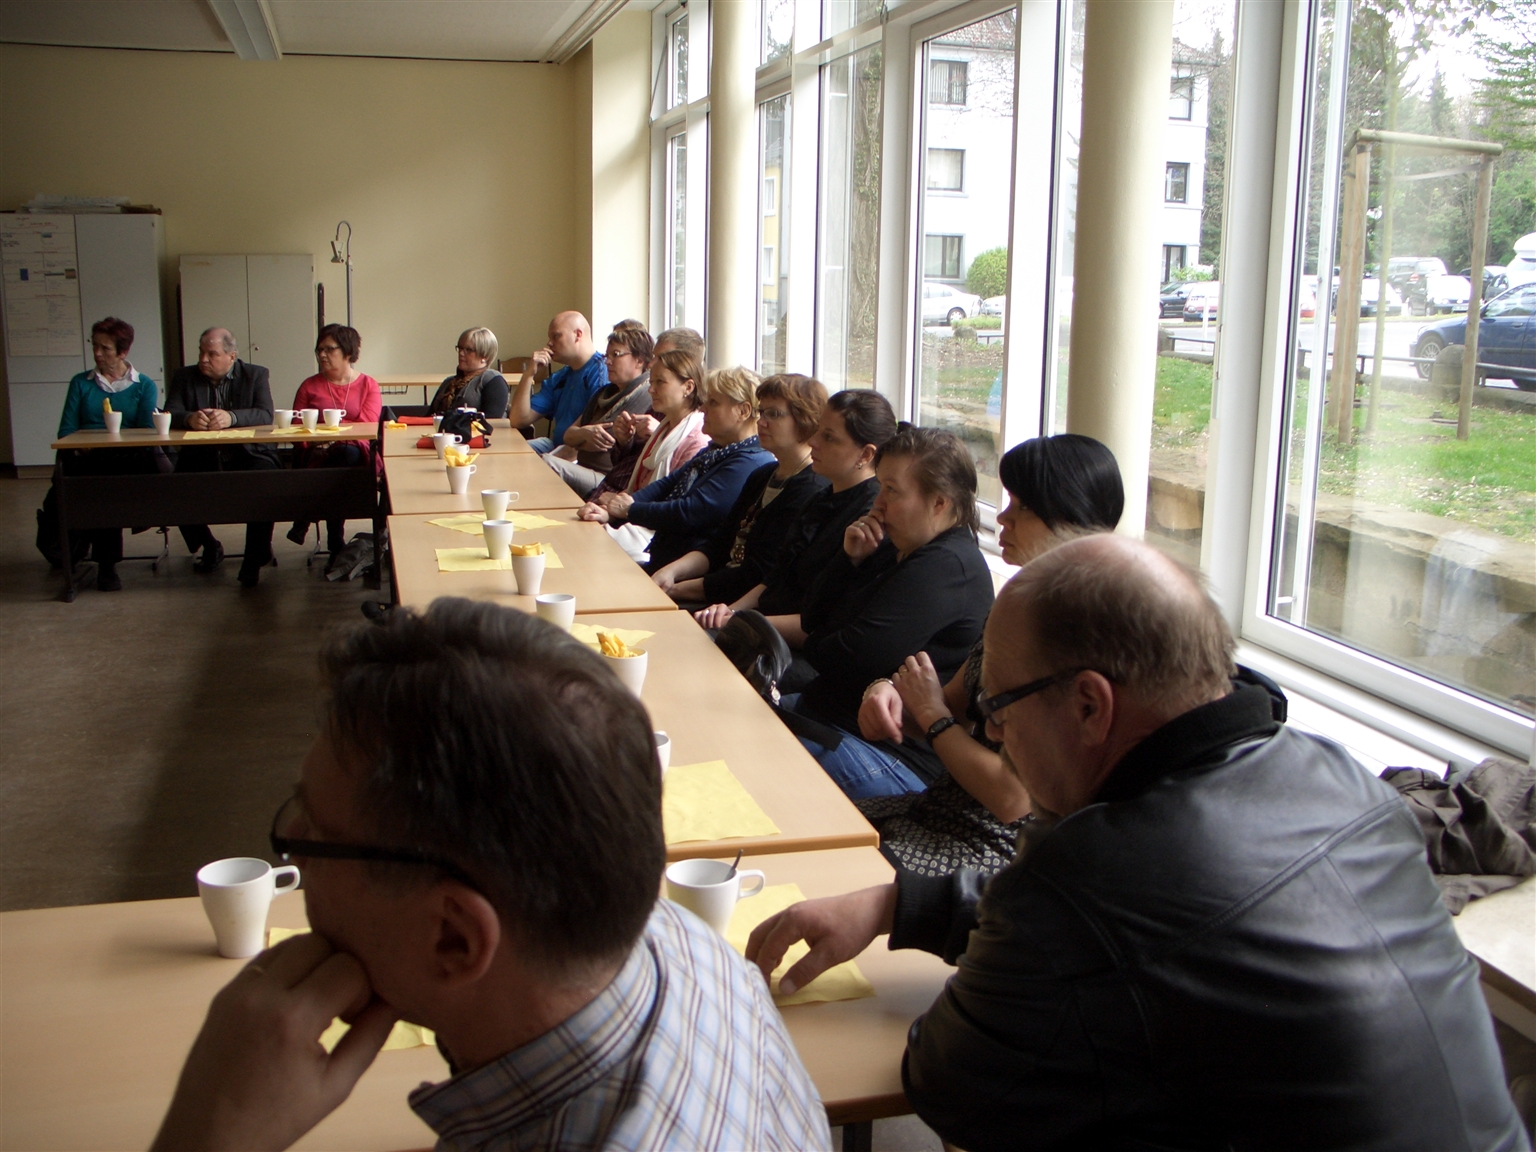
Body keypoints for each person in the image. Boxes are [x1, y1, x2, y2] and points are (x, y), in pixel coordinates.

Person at [747, 536, 1528, 1151]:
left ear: (1090, 706)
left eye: (999, 704)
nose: (995, 731)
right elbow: (1150, 913)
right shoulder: (1333, 774)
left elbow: (952, 1085)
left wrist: (1045, 840)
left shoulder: (1089, 869)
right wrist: (898, 903)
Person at [148, 599, 830, 1151]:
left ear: (454, 938)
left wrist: (208, 1134)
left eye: (316, 835)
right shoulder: (674, 937)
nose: (291, 844)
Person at [856, 434, 1125, 876]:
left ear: (1072, 519)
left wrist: (931, 715)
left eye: (1022, 507)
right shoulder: (1022, 605)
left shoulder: (1084, 637)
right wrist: (889, 695)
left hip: (995, 847)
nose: (1002, 518)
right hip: (940, 808)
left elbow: (1012, 799)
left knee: (834, 868)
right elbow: (946, 706)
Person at [781, 426, 994, 799]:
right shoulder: (893, 545)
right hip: (827, 716)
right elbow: (811, 618)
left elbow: (849, 658)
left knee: (748, 756)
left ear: (939, 503)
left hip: (888, 753)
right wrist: (848, 560)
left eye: (892, 491)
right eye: (880, 487)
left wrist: (821, 639)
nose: (877, 503)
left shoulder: (947, 566)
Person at [693, 388, 896, 649]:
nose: (813, 441)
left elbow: (822, 620)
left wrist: (738, 620)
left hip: (794, 646)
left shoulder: (868, 519)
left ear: (866, 455)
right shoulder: (822, 497)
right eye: (818, 431)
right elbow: (775, 579)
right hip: (763, 625)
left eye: (829, 437)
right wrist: (730, 611)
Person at [651, 373, 828, 606]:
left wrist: (675, 589)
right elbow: (718, 545)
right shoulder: (762, 475)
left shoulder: (810, 489)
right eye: (762, 412)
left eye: (773, 414)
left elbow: (756, 574)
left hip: (739, 605)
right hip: (717, 593)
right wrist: (671, 572)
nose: (761, 422)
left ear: (805, 420)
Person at [579, 366, 774, 573]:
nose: (703, 408)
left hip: (686, 572)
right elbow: (667, 484)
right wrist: (612, 512)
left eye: (713, 402)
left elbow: (690, 511)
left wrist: (629, 510)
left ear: (743, 411)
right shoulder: (716, 450)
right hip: (665, 558)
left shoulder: (749, 463)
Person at [43, 317, 162, 590]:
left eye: (105, 348)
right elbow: (66, 429)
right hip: (87, 457)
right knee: (97, 479)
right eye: (94, 346)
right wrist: (83, 444)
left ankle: (106, 564)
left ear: (123, 352)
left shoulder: (143, 385)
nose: (97, 353)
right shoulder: (80, 383)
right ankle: (104, 563)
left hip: (126, 459)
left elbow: (146, 432)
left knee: (106, 481)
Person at [166, 327, 277, 588]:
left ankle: (253, 560)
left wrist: (232, 417)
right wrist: (189, 418)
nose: (203, 359)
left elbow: (265, 413)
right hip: (202, 453)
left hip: (247, 452)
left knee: (265, 483)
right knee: (174, 488)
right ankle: (209, 545)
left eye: (212, 354)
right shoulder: (184, 377)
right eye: (201, 352)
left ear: (232, 356)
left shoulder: (255, 375)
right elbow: (170, 412)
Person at [578, 346, 709, 562]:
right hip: (631, 516)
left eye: (660, 382)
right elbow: (638, 483)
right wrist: (610, 512)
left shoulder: (697, 441)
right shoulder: (664, 428)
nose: (651, 390)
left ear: (688, 387)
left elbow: (672, 507)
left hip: (654, 536)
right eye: (652, 382)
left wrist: (619, 510)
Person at [285, 325, 382, 561]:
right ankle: (334, 540)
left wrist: (329, 436)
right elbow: (296, 425)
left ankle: (307, 519)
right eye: (319, 350)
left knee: (344, 453)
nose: (322, 354)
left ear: (348, 352)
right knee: (337, 461)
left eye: (329, 349)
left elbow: (366, 426)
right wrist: (318, 442)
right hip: (317, 453)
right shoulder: (309, 386)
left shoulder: (368, 385)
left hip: (356, 454)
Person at [587, 326, 705, 497]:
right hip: (615, 491)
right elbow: (625, 465)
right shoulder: (660, 412)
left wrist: (620, 505)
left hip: (625, 498)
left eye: (661, 357)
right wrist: (625, 441)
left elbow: (672, 500)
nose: (651, 363)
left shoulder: (695, 434)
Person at [545, 320, 655, 497]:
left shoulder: (646, 395)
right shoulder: (603, 393)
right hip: (583, 467)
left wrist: (581, 440)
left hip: (608, 480)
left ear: (639, 360)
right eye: (607, 356)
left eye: (616, 355)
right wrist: (584, 434)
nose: (608, 362)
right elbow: (569, 436)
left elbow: (608, 444)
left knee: (547, 464)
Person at [507, 311, 606, 454]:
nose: (549, 343)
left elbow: (594, 432)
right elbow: (518, 420)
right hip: (554, 445)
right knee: (509, 450)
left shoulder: (601, 372)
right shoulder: (559, 377)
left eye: (556, 336)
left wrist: (552, 459)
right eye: (549, 337)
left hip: (578, 453)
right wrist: (528, 375)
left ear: (578, 335)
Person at [428, 327, 507, 418]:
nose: (461, 353)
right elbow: (429, 417)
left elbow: (492, 420)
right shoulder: (448, 382)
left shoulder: (493, 381)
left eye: (468, 350)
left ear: (485, 356)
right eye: (460, 348)